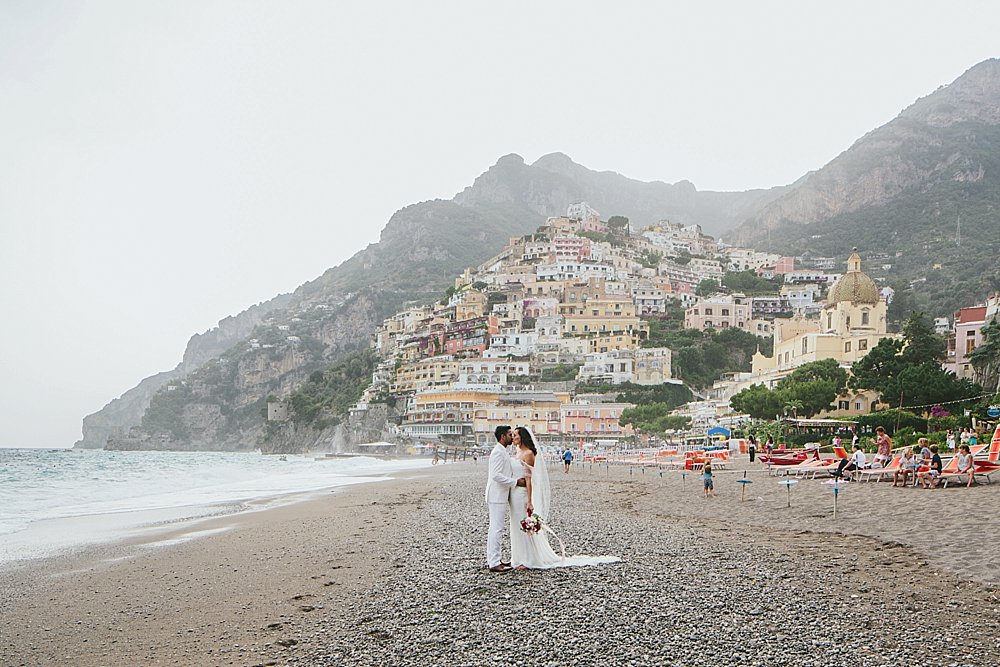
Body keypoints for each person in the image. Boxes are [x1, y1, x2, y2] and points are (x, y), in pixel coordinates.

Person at [508, 426, 619, 569]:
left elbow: (529, 480)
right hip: (515, 493)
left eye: (516, 435)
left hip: (522, 493)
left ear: (522, 437)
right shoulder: (518, 452)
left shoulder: (528, 453)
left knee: (523, 526)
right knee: (516, 525)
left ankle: (529, 559)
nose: (513, 437)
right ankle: (518, 556)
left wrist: (530, 500)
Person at [485, 425, 526, 572]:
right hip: (497, 495)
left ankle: (494, 559)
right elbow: (496, 475)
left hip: (501, 495)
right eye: (509, 434)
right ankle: (494, 562)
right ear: (503, 436)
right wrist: (515, 482)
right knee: (496, 529)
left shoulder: (502, 451)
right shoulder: (498, 452)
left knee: (496, 528)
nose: (512, 437)